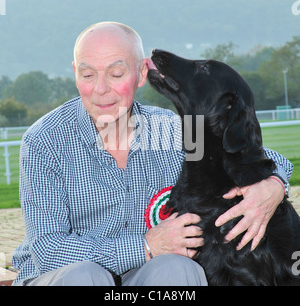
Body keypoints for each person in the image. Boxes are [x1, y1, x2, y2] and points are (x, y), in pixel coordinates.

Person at [12, 22, 293, 286]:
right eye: (88, 75)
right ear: (75, 73)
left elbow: (253, 155)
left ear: (141, 74)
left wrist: (274, 186)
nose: (100, 89)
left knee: (180, 268)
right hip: (62, 276)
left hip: (140, 275)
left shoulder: (171, 130)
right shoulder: (44, 141)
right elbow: (49, 252)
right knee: (86, 276)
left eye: (116, 73)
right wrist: (145, 246)